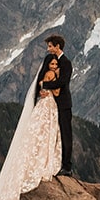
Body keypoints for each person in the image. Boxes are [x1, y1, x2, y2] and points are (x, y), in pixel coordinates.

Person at [0, 38, 65, 200]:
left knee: (44, 135)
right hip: (47, 108)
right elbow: (52, 91)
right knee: (42, 134)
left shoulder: (48, 77)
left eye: (56, 64)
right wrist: (53, 82)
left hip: (48, 107)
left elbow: (50, 90)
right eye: (52, 64)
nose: (54, 66)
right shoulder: (49, 76)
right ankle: (42, 162)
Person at [35, 34, 73, 175]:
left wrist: (45, 84)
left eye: (50, 46)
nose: (48, 49)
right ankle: (53, 163)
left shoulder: (66, 63)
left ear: (58, 47)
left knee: (65, 134)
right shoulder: (50, 60)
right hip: (50, 104)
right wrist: (41, 90)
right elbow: (42, 76)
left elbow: (62, 82)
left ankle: (67, 167)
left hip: (63, 104)